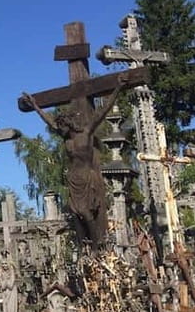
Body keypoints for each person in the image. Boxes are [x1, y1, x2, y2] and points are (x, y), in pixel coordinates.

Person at [21, 73, 127, 248]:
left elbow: (103, 111)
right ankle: (82, 247)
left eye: (62, 126)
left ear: (69, 124)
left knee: (85, 212)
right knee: (74, 213)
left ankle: (96, 247)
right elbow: (49, 121)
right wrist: (35, 105)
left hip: (86, 177)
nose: (59, 128)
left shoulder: (86, 132)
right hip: (73, 178)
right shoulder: (66, 137)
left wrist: (118, 88)